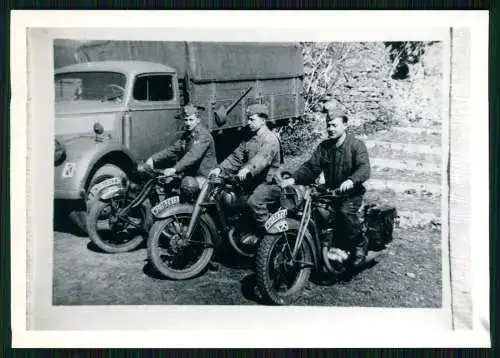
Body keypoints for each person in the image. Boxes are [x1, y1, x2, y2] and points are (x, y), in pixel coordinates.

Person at [280, 108, 371, 267]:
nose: (330, 129)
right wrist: (293, 179)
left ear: (345, 125)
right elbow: (311, 168)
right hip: (330, 191)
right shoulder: (324, 147)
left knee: (345, 212)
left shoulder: (356, 145)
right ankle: (319, 245)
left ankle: (359, 244)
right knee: (309, 210)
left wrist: (351, 180)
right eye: (328, 125)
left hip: (351, 194)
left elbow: (364, 168)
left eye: (334, 125)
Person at [209, 103, 282, 242]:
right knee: (225, 195)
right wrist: (221, 168)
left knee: (254, 202)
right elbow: (236, 157)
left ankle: (267, 237)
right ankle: (238, 231)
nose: (248, 122)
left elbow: (262, 159)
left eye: (252, 119)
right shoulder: (250, 138)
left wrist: (248, 168)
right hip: (253, 182)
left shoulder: (270, 139)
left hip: (269, 183)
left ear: (263, 120)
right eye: (248, 119)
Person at [145, 104, 217, 201]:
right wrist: (153, 159)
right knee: (166, 185)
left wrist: (174, 169)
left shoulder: (203, 135)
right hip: (191, 176)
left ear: (198, 120)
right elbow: (173, 149)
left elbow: (193, 155)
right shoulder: (187, 135)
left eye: (191, 120)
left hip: (204, 177)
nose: (188, 123)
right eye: (186, 120)